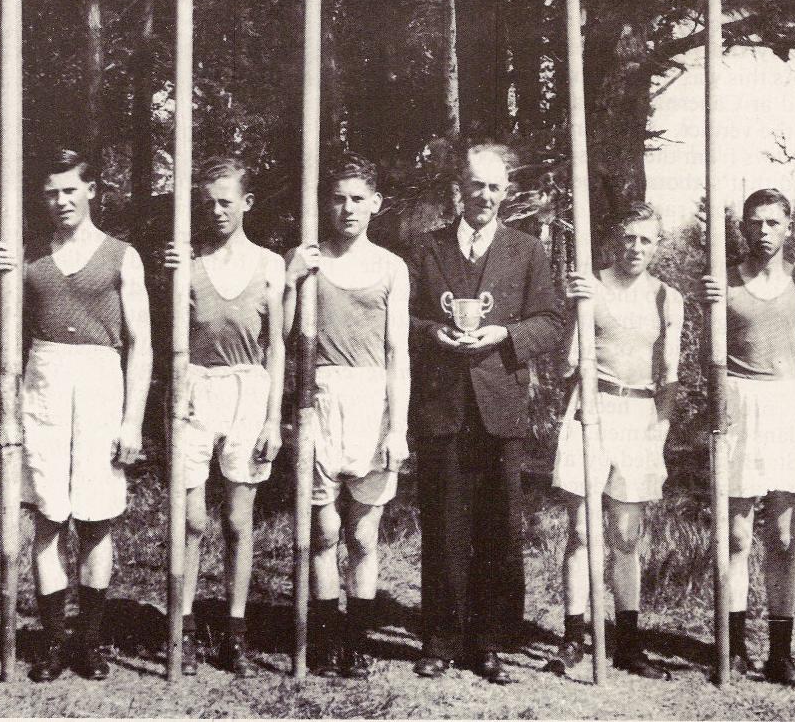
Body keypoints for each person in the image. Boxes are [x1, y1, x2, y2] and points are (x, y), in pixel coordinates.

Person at [0, 149, 152, 682]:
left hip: (102, 380)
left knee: (97, 518)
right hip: (45, 380)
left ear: (91, 190)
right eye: (51, 193)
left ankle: (90, 641)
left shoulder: (122, 255)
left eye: (69, 190)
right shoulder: (26, 254)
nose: (60, 201)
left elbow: (141, 344)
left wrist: (132, 420)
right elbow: (2, 330)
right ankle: (54, 642)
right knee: (49, 516)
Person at [407, 142, 563, 685]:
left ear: (507, 193)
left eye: (496, 188)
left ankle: (487, 640)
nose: (486, 197)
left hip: (500, 407)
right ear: (460, 188)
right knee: (443, 523)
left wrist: (506, 334)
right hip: (442, 403)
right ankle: (439, 638)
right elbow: (403, 321)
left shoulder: (526, 251)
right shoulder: (425, 249)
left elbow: (550, 322)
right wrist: (434, 332)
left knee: (496, 527)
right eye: (477, 186)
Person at [702, 187, 795, 688]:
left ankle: (781, 652)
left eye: (773, 223)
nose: (763, 231)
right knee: (736, 534)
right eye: (755, 223)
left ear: (788, 227)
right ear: (743, 228)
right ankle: (734, 646)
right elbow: (706, 359)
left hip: (788, 404)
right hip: (738, 402)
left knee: (782, 536)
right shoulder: (723, 283)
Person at [285, 154, 410, 679]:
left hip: (372, 401)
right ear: (325, 204)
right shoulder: (308, 260)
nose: (347, 208)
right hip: (319, 397)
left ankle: (356, 640)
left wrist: (398, 428)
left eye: (358, 198)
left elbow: (397, 352)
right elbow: (287, 336)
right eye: (338, 198)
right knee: (323, 532)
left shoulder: (390, 266)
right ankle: (327, 638)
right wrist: (292, 281)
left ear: (375, 205)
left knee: (362, 534)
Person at [547, 202, 683, 679]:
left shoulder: (667, 297)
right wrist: (571, 306)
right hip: (592, 408)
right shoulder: (592, 285)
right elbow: (564, 362)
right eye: (629, 237)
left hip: (641, 414)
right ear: (615, 239)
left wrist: (660, 431)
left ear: (657, 245)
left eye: (646, 239)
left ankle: (627, 641)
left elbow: (669, 375)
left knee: (626, 534)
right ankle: (573, 636)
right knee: (583, 530)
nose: (636, 247)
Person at [164, 157, 285, 677]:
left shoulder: (269, 265)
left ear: (246, 204)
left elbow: (277, 344)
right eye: (208, 202)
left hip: (249, 391)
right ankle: (184, 628)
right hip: (197, 389)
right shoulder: (187, 267)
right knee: (190, 521)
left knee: (237, 520)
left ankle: (235, 631)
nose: (216, 211)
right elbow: (174, 342)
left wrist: (273, 419)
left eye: (226, 202)